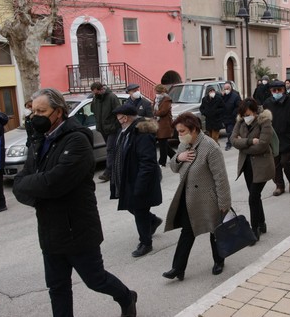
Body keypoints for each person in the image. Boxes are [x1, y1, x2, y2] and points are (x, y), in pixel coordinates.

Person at [12, 88, 137, 317]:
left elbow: (53, 183)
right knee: (57, 287)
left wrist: (38, 188)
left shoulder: (77, 140)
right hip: (49, 229)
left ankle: (126, 296)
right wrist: (37, 191)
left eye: (41, 111)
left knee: (96, 280)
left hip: (77, 229)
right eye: (33, 111)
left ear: (58, 112)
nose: (34, 116)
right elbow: (20, 182)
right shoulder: (39, 140)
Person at [162, 112, 231, 281]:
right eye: (178, 131)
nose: (180, 135)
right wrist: (179, 157)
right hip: (189, 198)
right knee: (187, 232)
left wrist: (224, 202)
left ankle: (219, 261)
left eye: (182, 131)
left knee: (215, 231)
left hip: (209, 199)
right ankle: (177, 268)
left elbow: (220, 177)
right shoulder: (183, 146)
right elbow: (173, 167)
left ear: (194, 129)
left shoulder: (210, 147)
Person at [110, 104, 163, 258]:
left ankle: (146, 243)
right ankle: (152, 221)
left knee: (139, 210)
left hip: (138, 180)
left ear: (124, 118)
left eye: (118, 117)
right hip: (128, 178)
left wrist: (140, 186)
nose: (117, 120)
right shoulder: (126, 131)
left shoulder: (142, 133)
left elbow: (147, 162)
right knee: (132, 206)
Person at [231, 98, 275, 240]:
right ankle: (262, 223)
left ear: (255, 112)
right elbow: (233, 140)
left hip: (262, 166)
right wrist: (249, 141)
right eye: (243, 115)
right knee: (255, 196)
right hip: (247, 166)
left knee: (253, 197)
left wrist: (243, 146)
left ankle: (254, 228)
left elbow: (262, 144)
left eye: (248, 114)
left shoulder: (264, 121)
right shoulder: (240, 121)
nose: (246, 118)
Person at [263, 80, 290, 196]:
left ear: (284, 90)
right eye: (274, 90)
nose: (276, 92)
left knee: (286, 161)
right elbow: (264, 121)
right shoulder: (267, 103)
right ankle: (279, 185)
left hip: (287, 137)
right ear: (270, 91)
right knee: (275, 164)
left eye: (279, 90)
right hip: (273, 138)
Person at [90, 82, 121, 182]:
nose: (95, 94)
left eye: (96, 92)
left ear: (101, 89)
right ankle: (118, 168)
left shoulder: (112, 97)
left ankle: (108, 172)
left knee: (110, 149)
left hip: (112, 129)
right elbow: (93, 111)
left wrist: (115, 125)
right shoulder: (95, 99)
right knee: (113, 150)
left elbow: (118, 112)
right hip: (102, 128)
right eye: (93, 93)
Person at [153, 84, 176, 166]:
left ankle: (162, 161)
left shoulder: (167, 99)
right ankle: (174, 155)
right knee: (163, 143)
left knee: (162, 143)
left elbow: (163, 112)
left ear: (162, 92)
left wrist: (154, 113)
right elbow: (154, 108)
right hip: (158, 123)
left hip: (164, 124)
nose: (156, 93)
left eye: (157, 92)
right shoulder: (156, 99)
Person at [222, 81, 242, 151]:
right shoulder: (223, 96)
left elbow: (239, 106)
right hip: (225, 117)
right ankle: (233, 140)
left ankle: (229, 143)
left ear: (231, 88)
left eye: (228, 88)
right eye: (225, 88)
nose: (226, 90)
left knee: (230, 131)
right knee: (228, 130)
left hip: (232, 117)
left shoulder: (235, 95)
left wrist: (234, 113)